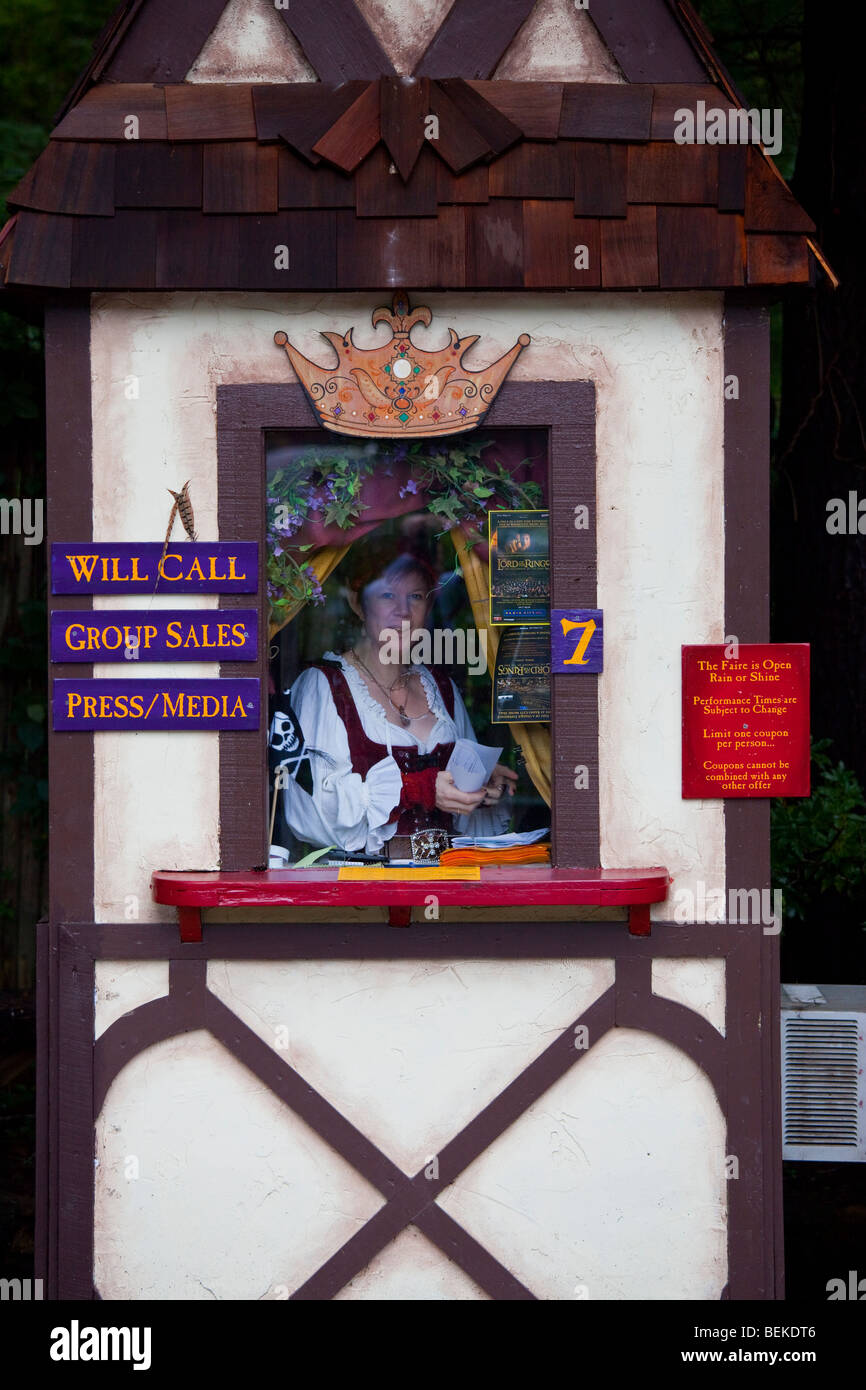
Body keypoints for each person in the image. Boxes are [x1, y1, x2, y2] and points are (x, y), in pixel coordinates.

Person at [280, 537, 517, 858]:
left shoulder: (440, 687)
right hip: (363, 891)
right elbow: (314, 810)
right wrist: (418, 788)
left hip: (451, 881)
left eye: (416, 597)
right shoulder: (324, 685)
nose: (403, 611)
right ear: (357, 603)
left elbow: (464, 805)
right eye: (387, 595)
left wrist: (481, 786)